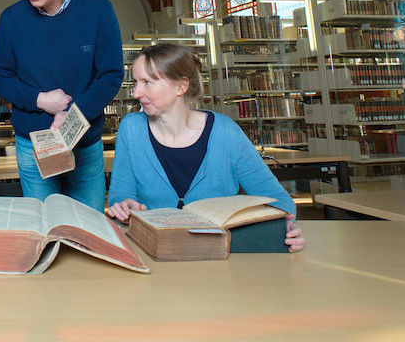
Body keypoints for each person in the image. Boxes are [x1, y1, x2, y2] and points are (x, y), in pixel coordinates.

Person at [106, 43, 305, 252]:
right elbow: (120, 193)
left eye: (147, 82)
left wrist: (284, 227)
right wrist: (124, 205)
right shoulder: (131, 128)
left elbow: (280, 201)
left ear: (181, 86)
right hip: (154, 251)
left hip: (220, 257)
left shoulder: (225, 132)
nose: (136, 93)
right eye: (136, 82)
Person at [0, 0, 123, 209]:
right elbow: (0, 77)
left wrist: (74, 116)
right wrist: (41, 100)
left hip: (85, 141)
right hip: (32, 143)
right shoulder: (11, 18)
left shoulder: (98, 11)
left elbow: (111, 74)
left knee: (90, 227)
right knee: (44, 224)